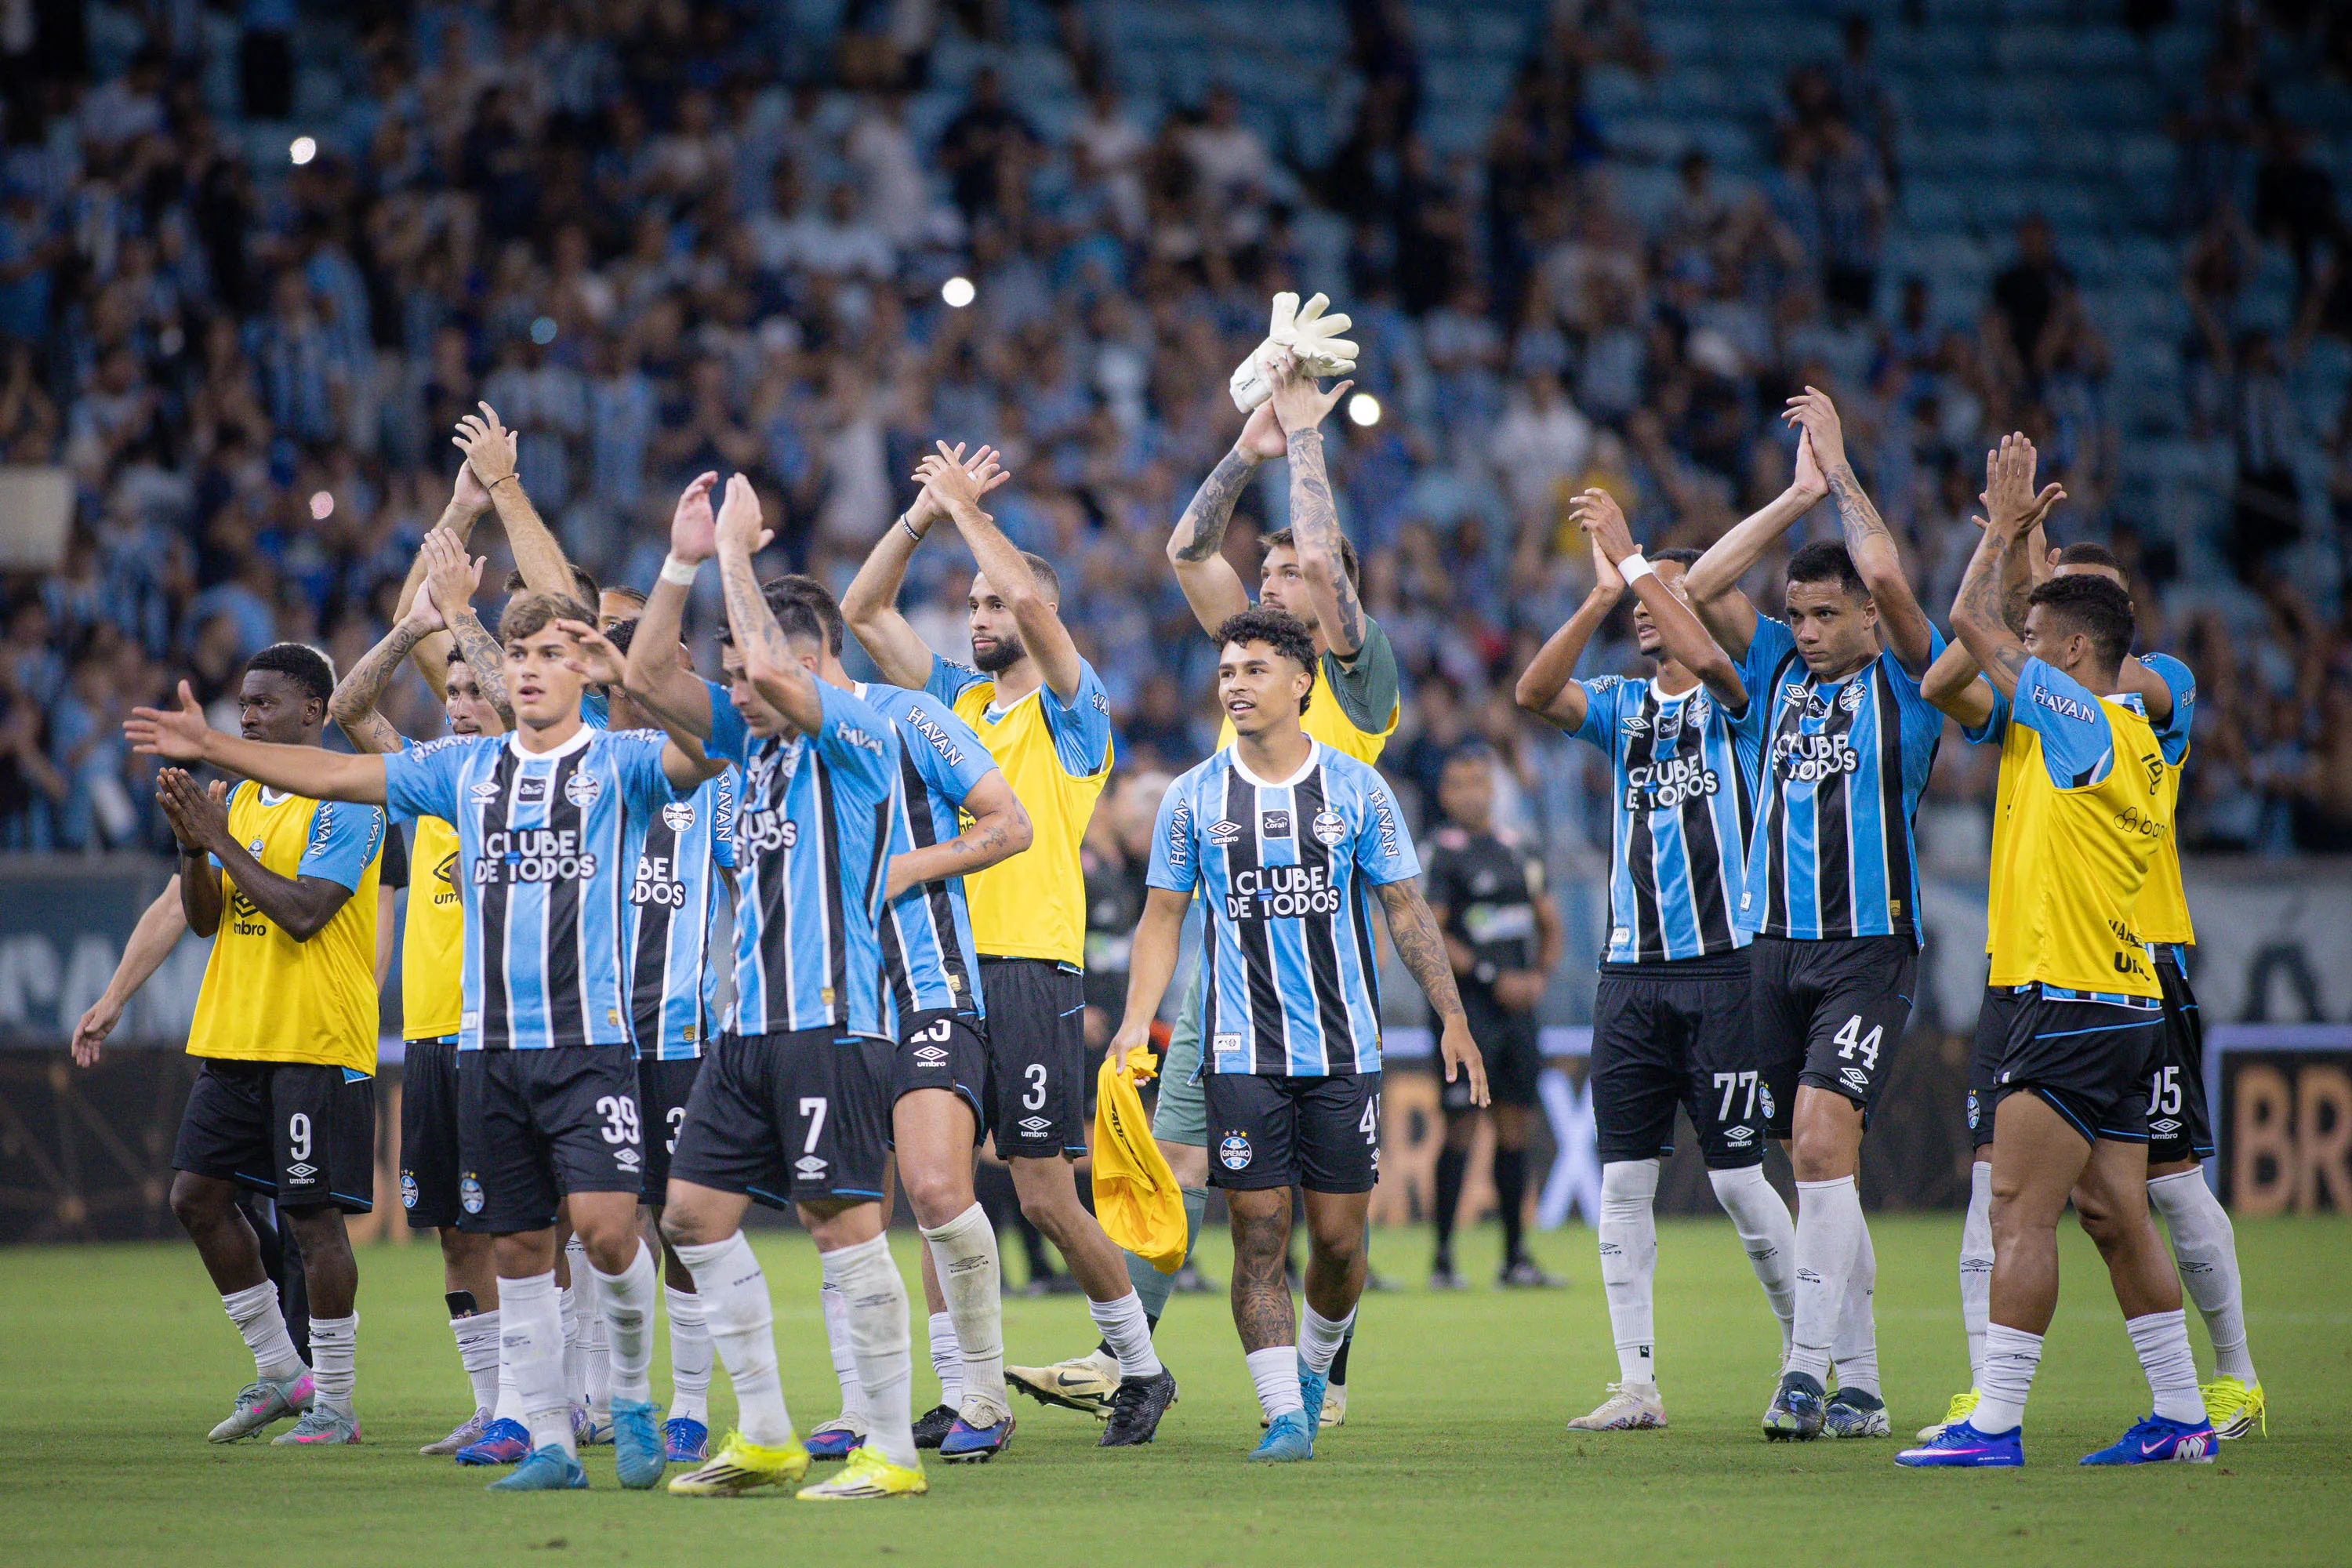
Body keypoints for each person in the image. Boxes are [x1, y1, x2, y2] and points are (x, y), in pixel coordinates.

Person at [125, 590, 718, 1494]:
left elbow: (709, 748)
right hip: (486, 1048)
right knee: (515, 1247)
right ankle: (551, 1438)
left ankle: (631, 1394)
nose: (523, 667)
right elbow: (328, 775)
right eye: (513, 654)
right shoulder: (463, 767)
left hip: (589, 1042)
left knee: (605, 1232)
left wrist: (644, 661)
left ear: (582, 672)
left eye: (545, 653)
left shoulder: (622, 760)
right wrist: (209, 746)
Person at [1014, 354, 1401, 1423]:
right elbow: (1187, 546)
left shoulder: (1359, 682)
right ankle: (1129, 1363)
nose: (1269, 584)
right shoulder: (1250, 672)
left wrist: (1308, 433)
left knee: (1325, 1227)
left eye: (1286, 577)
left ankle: (1323, 1360)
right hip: (1224, 994)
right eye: (1266, 576)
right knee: (1171, 1165)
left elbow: (1321, 555)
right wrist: (1248, 450)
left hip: (1323, 1000)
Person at [1915, 445, 2262, 1443]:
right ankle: (2183, 1410)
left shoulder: (2080, 723)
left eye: (2043, 635)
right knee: (2117, 1211)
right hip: (2124, 1000)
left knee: (2019, 1208)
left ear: (2069, 652)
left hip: (2059, 996)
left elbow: (1970, 630)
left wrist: (2000, 529)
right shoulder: (2133, 735)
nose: (2023, 643)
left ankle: (1998, 1420)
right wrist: (2030, 559)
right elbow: (1988, 652)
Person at [840, 443, 1179, 1447]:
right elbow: (862, 613)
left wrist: (967, 512)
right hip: (940, 966)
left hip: (1033, 961)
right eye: (973, 604)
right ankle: (965, 1386)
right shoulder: (952, 702)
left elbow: (1039, 610)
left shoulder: (1076, 715)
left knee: (1040, 1192)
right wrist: (921, 519)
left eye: (996, 603)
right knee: (940, 1190)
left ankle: (1141, 1366)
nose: (982, 616)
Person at [1107, 606, 1485, 1463]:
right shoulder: (1192, 796)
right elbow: (1161, 917)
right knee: (1259, 1228)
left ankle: (1314, 1370)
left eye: (1252, 671)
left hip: (1346, 1048)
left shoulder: (1355, 789)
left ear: (1300, 682)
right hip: (1242, 1052)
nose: (1234, 685)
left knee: (1342, 1242)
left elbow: (1405, 908)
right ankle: (1284, 1412)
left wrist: (1454, 1014)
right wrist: (1139, 1016)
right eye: (1226, 672)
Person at [615, 471, 926, 1501]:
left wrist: (742, 559)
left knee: (843, 1225)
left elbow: (777, 679)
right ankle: (764, 1433)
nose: (731, 691)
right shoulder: (742, 753)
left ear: (797, 668)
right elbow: (647, 669)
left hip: (830, 1019)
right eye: (729, 680)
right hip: (742, 1031)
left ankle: (890, 1448)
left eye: (747, 675)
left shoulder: (856, 739)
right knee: (693, 1218)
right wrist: (684, 560)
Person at [1516, 479, 1818, 1432]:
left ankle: (1809, 1353)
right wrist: (1603, 592)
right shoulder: (1619, 705)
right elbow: (1531, 692)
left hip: (1727, 967)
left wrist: (1639, 560)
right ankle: (1637, 1383)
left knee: (1737, 1179)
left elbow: (1715, 663)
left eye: (1668, 598)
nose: (1652, 614)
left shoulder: (1742, 699)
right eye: (1645, 602)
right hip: (1630, 975)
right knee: (1621, 1182)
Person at [1684, 390, 1945, 1442]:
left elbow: (1882, 568)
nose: (1806, 630)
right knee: (1814, 1160)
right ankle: (1868, 1388)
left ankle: (1804, 1372)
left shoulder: (1917, 684)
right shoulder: (1775, 675)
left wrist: (1837, 473)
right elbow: (1698, 584)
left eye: (1824, 615)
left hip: (1868, 946)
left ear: (1871, 621)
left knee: (1822, 1137)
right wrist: (1792, 497)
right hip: (1773, 949)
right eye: (1796, 615)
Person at [80, 644, 386, 1447]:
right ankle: (285, 1372)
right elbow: (209, 916)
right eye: (243, 703)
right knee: (196, 1197)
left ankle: (338, 1403)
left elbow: (305, 909)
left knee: (313, 1219)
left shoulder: (349, 801)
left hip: (315, 1037)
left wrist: (217, 836)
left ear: (314, 711)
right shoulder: (241, 798)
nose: (246, 715)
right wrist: (193, 845)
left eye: (265, 703)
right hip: (236, 1033)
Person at [763, 572, 1033, 1466]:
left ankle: (979, 1393)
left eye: (760, 658)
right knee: (847, 1208)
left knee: (935, 1187)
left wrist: (910, 866)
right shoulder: (768, 745)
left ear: (806, 655)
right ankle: (863, 1403)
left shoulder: (911, 716)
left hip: (929, 986)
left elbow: (1010, 823)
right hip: (834, 1001)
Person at [325, 525, 511, 1458]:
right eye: (459, 693)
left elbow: (517, 701)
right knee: (452, 1231)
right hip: (434, 1035)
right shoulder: (432, 783)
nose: (468, 704)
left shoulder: (523, 775)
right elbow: (349, 703)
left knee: (527, 1226)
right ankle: (492, 1402)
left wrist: (466, 621)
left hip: (504, 1033)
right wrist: (416, 628)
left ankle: (562, 1395)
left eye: (481, 690)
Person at [597, 615, 735, 1468]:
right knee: (598, 1221)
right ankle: (611, 1395)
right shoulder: (577, 770)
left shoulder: (707, 780)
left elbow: (746, 880)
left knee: (680, 1221)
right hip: (591, 1031)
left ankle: (686, 1401)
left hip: (680, 1029)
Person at [1418, 744, 1563, 1290]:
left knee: (1514, 1123)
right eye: (1459, 783)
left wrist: (1538, 978)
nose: (1471, 793)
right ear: (1444, 793)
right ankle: (1443, 1258)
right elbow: (1431, 932)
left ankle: (1515, 1256)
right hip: (1466, 1011)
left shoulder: (1517, 848)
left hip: (1518, 1010)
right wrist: (1487, 976)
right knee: (1459, 1126)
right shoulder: (1439, 852)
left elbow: (1550, 921)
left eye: (1479, 782)